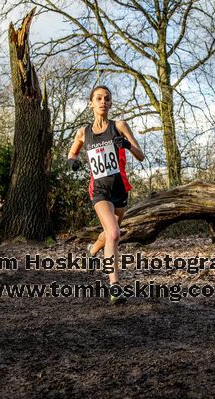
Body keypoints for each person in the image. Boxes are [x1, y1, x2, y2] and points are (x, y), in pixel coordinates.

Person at [67, 85, 145, 304]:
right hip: (99, 190)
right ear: (91, 103)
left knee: (109, 233)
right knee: (113, 234)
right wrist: (73, 163)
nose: (103, 102)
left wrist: (127, 145)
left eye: (107, 99)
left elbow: (141, 156)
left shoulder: (119, 126)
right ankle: (115, 287)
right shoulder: (84, 132)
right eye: (98, 98)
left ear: (110, 104)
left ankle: (91, 251)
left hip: (120, 189)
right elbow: (71, 154)